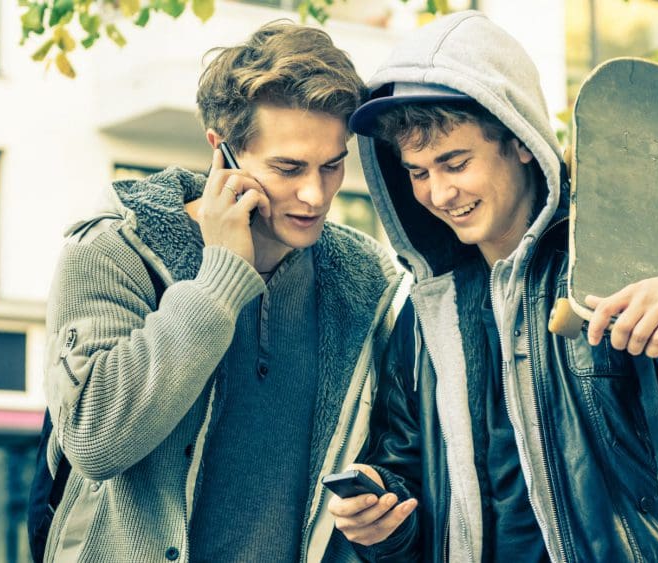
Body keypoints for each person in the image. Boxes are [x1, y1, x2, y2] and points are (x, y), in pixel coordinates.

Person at [328, 10, 658, 562]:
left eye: (455, 163)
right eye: (418, 172)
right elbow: (413, 496)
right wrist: (383, 526)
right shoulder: (424, 318)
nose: (439, 193)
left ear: (520, 141)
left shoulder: (620, 262)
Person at [39, 21, 401, 562]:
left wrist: (381, 496)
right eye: (287, 167)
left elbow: (396, 448)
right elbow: (94, 439)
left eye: (332, 165)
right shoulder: (113, 250)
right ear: (221, 151)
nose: (315, 193)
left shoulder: (365, 279)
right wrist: (220, 279)